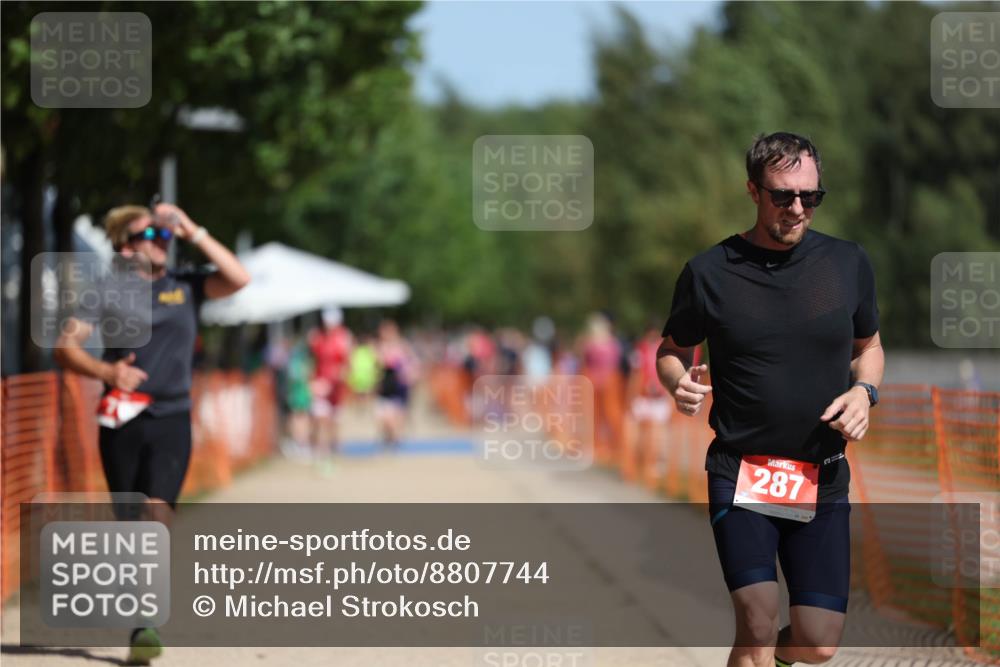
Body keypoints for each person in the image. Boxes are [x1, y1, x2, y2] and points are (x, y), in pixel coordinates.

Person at [656, 132, 884, 667]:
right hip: (742, 472)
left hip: (821, 475)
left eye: (810, 196)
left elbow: (869, 346)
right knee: (757, 622)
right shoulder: (709, 272)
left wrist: (864, 391)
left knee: (818, 644)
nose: (798, 208)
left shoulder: (847, 263)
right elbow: (671, 349)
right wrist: (676, 381)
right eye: (783, 196)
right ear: (753, 191)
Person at [54, 201, 249, 665]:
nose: (164, 244)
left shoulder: (185, 285)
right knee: (130, 524)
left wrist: (190, 228)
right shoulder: (106, 291)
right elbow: (65, 345)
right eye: (153, 236)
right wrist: (105, 370)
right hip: (120, 417)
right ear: (126, 247)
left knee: (156, 512)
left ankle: (146, 621)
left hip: (172, 418)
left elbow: (238, 277)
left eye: (166, 239)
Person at [308, 306, 352, 470]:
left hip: (337, 389)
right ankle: (321, 453)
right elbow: (312, 362)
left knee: (334, 421)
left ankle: (334, 450)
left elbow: (347, 364)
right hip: (321, 386)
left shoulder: (344, 337)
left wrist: (337, 379)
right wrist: (313, 382)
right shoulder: (317, 338)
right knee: (321, 420)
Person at [375, 319, 419, 448]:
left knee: (396, 417)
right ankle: (389, 439)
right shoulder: (379, 346)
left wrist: (410, 375)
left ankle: (394, 440)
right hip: (384, 386)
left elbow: (413, 363)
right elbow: (378, 365)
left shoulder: (402, 346)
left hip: (398, 386)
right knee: (383, 417)